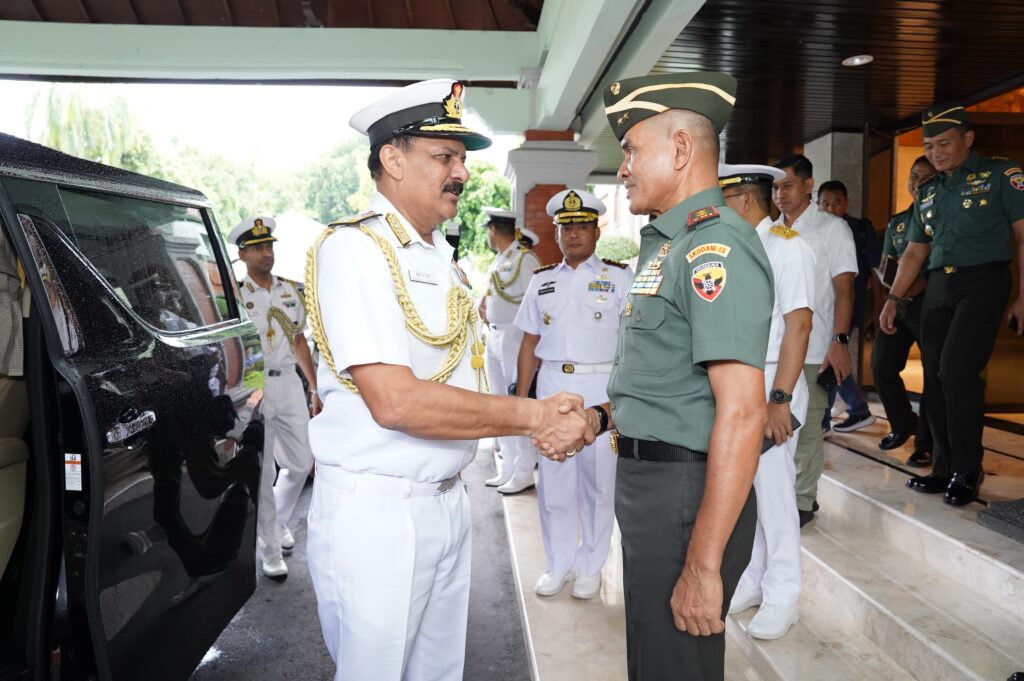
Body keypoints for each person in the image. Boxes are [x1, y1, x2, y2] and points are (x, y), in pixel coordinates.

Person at [304, 78, 592, 681]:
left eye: (462, 158)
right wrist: (536, 415)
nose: (461, 172)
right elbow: (395, 400)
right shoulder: (355, 251)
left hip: (446, 500)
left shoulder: (436, 255)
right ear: (392, 158)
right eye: (445, 156)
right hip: (379, 511)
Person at [565, 71, 773, 681]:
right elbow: (666, 379)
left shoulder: (717, 249)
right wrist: (602, 417)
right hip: (654, 485)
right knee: (655, 659)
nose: (623, 168)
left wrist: (704, 565)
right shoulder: (670, 245)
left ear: (681, 150)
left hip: (686, 493)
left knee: (675, 664)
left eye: (631, 150)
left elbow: (740, 411)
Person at [880, 104, 1024, 506]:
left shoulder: (1001, 175)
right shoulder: (929, 191)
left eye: (944, 143)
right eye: (929, 146)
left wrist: (1023, 296)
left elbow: (1023, 236)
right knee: (937, 378)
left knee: (957, 371)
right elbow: (912, 252)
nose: (936, 152)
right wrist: (893, 297)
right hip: (939, 287)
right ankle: (943, 467)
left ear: (968, 138)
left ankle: (967, 468)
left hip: (984, 281)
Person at [513, 188, 632, 599]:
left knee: (599, 483)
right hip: (551, 386)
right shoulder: (542, 280)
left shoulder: (620, 277)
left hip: (601, 387)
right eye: (567, 228)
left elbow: (633, 343)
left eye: (582, 226)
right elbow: (529, 342)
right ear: (558, 235)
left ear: (596, 232)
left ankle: (590, 567)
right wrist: (523, 396)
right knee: (554, 478)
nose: (574, 235)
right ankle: (558, 563)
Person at [719, 164, 815, 640]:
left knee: (775, 495)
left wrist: (779, 400)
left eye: (724, 199)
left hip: (775, 384)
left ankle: (784, 593)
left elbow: (798, 326)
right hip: (743, 386)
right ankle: (755, 579)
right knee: (749, 491)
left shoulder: (788, 248)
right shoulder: (739, 249)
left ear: (747, 201)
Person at [229, 216, 318, 580]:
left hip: (289, 385)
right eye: (259, 248)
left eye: (269, 247)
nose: (267, 253)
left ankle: (277, 522)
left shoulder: (290, 291)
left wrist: (313, 387)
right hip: (255, 388)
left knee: (301, 462)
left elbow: (299, 341)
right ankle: (268, 547)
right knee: (264, 471)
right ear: (243, 253)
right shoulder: (235, 295)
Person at [773, 154, 858, 527]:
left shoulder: (831, 229)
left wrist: (840, 340)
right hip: (773, 348)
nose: (779, 194)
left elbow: (845, 290)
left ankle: (802, 501)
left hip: (814, 346)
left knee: (806, 426)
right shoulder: (768, 232)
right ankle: (777, 497)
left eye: (787, 185)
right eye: (775, 187)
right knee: (775, 428)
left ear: (809, 186)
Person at [871, 156, 936, 466]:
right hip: (898, 305)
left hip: (930, 304)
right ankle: (902, 423)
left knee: (934, 374)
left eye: (925, 177)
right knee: (881, 365)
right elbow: (887, 264)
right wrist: (890, 292)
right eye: (914, 176)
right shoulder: (898, 221)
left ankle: (927, 441)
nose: (917, 182)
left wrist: (915, 285)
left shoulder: (939, 218)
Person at [478, 207, 543, 494]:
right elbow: (495, 294)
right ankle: (507, 465)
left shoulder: (524, 259)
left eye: (488, 230)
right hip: (496, 334)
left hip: (516, 336)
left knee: (517, 403)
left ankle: (524, 469)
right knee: (498, 403)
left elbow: (537, 300)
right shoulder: (502, 259)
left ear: (493, 229)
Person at [817, 180, 881, 433]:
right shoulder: (812, 229)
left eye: (837, 202)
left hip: (847, 305)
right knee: (831, 360)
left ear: (846, 203)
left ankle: (831, 418)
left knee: (831, 359)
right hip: (821, 305)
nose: (831, 207)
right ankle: (855, 409)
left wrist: (877, 309)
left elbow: (877, 274)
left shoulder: (859, 229)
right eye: (825, 203)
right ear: (817, 204)